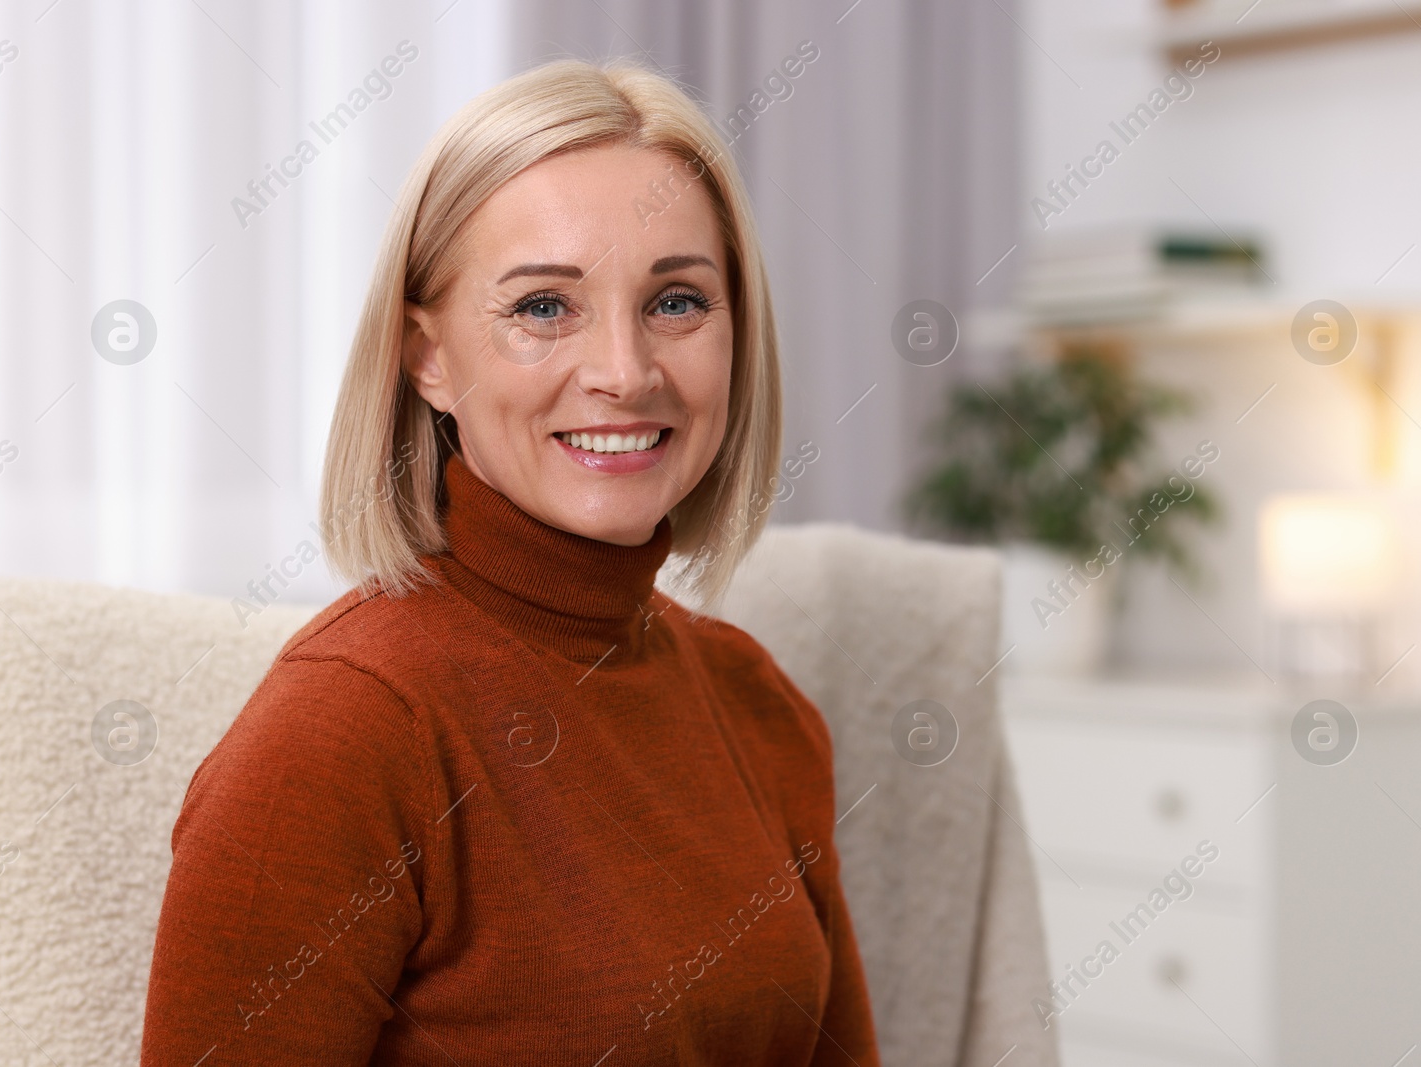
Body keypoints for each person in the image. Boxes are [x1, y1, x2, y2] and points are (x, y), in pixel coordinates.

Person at [140, 57, 880, 1066]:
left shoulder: (759, 701)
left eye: (676, 301)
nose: (623, 371)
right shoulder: (341, 733)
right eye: (543, 307)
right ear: (428, 355)